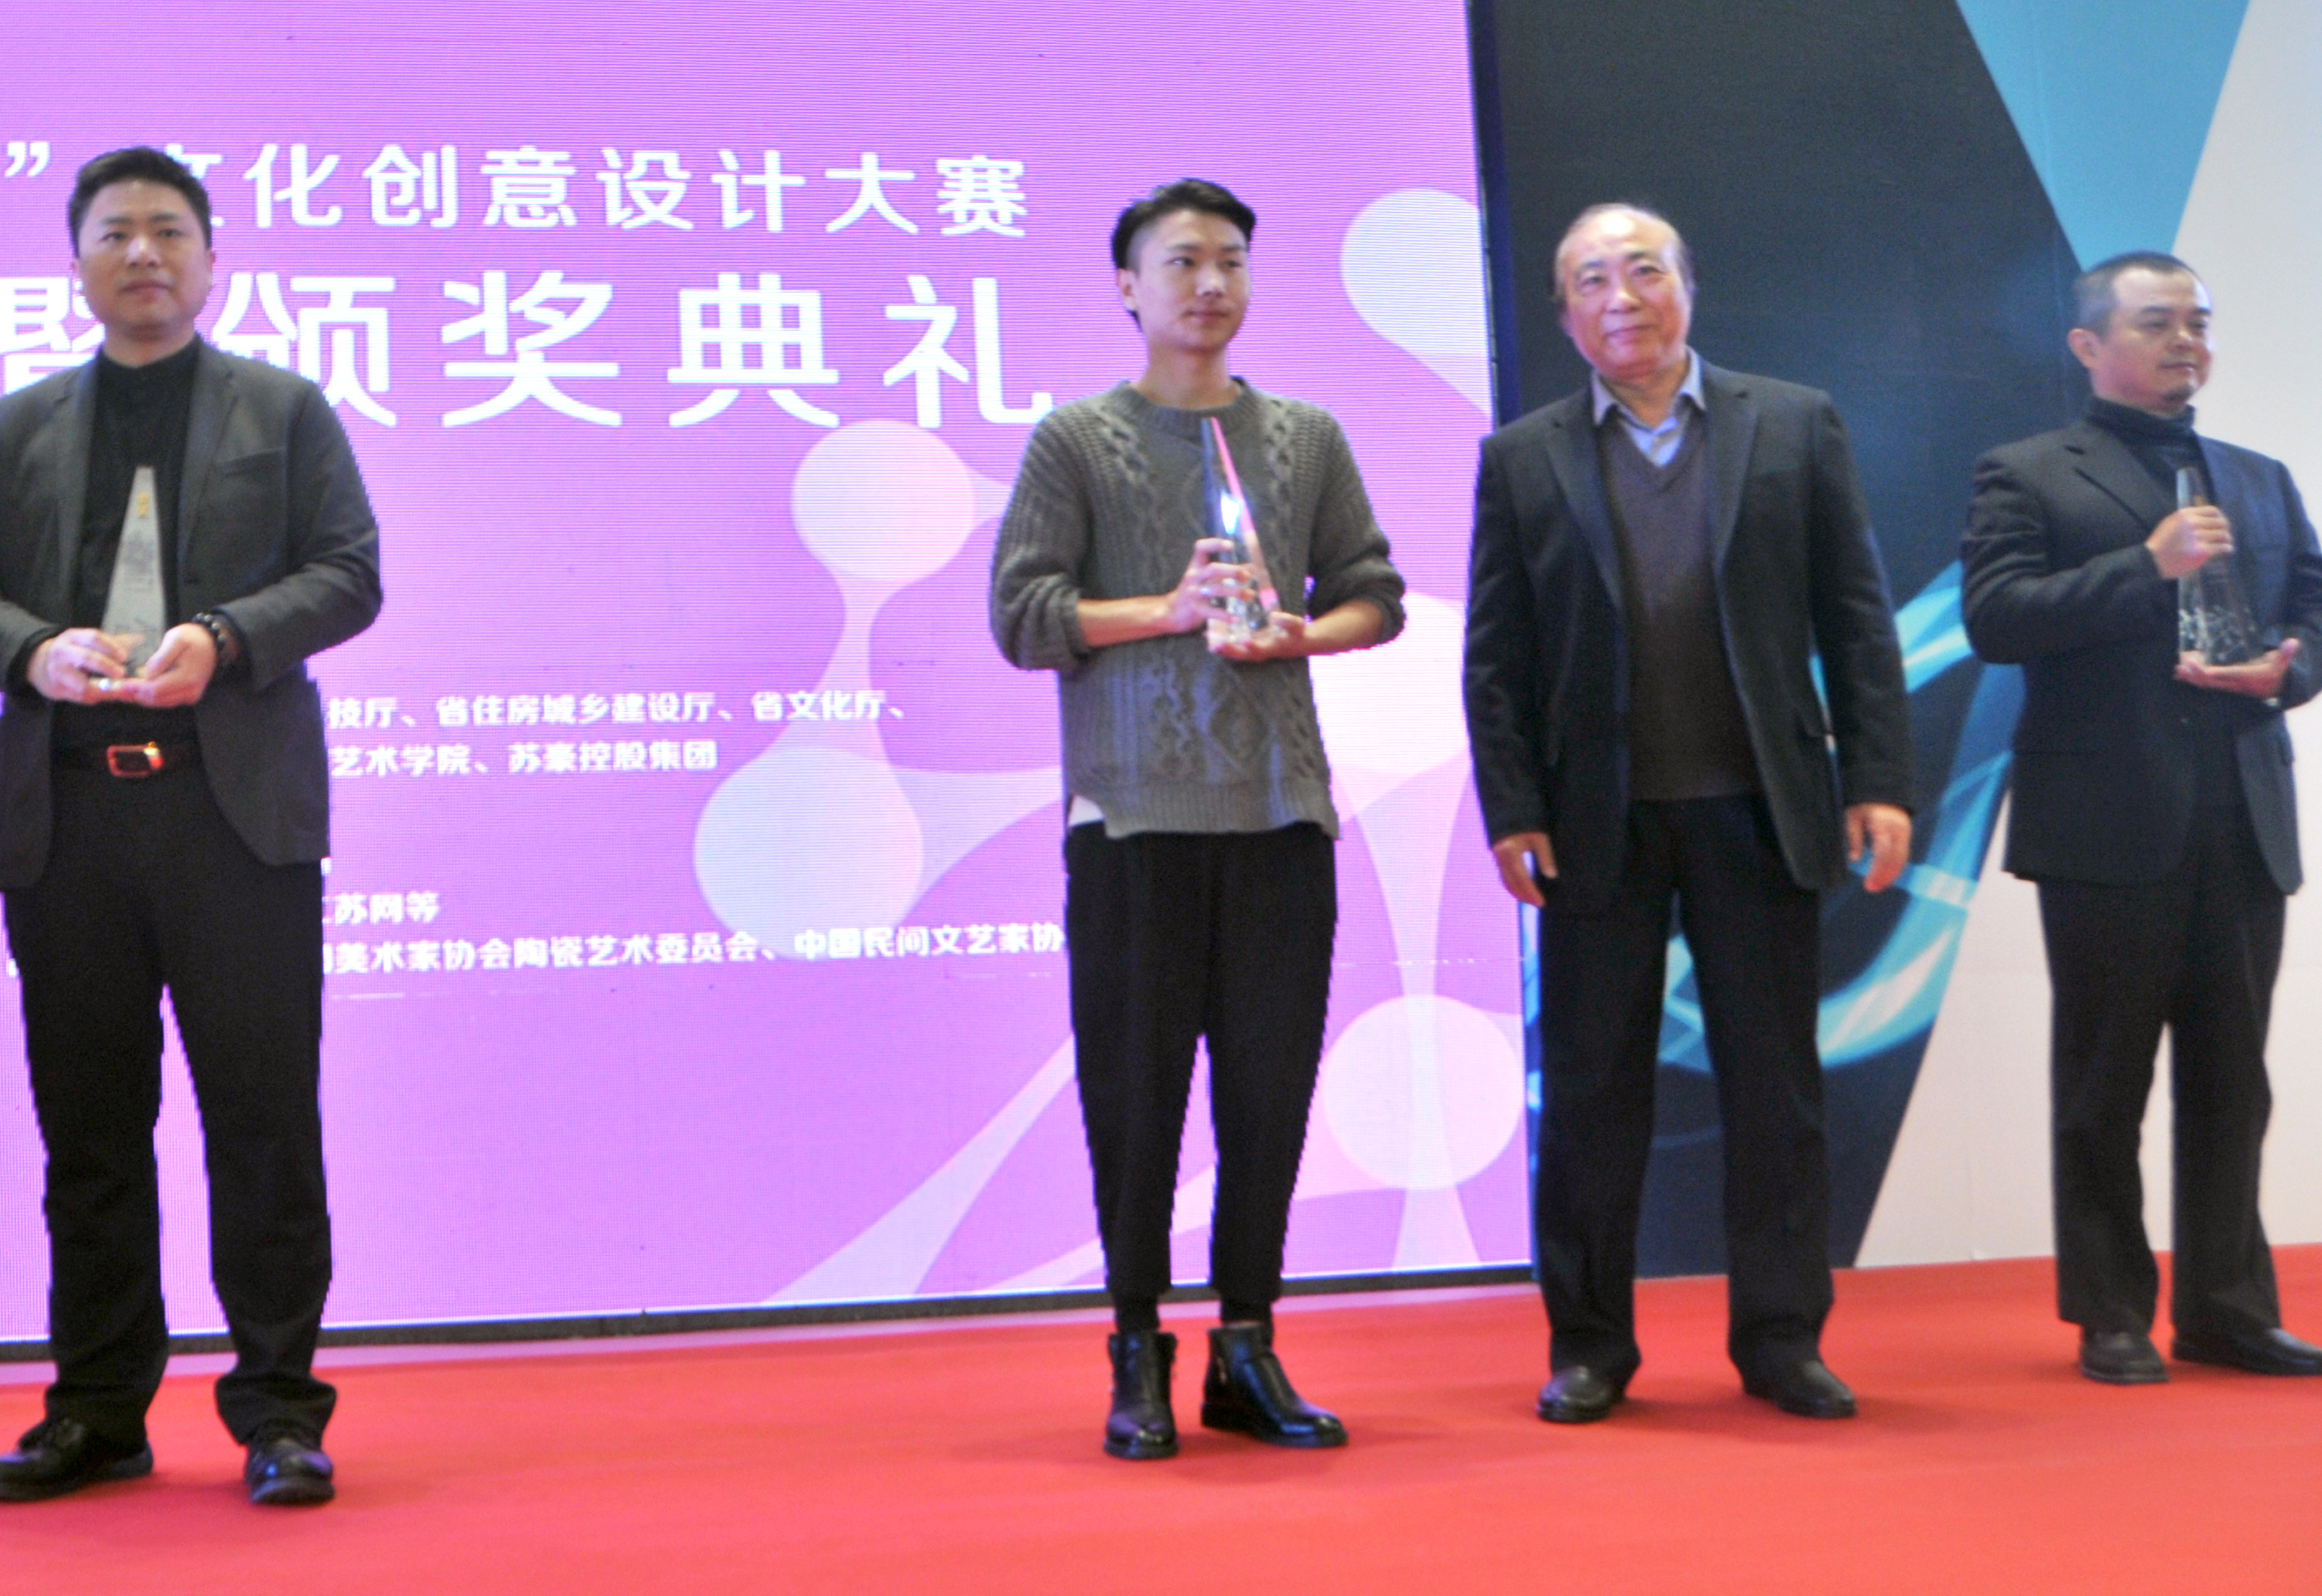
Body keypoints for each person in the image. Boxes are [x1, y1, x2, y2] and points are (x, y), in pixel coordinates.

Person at [0, 146, 382, 1510]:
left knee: (262, 1121)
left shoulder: (282, 410)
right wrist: (32, 651)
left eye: (169, 231)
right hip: (70, 821)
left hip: (234, 821)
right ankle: (98, 1409)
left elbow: (350, 573)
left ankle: (279, 1409)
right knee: (90, 1133)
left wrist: (223, 638)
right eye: (114, 232)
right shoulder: (16, 427)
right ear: (75, 264)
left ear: (212, 260)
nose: (143, 254)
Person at [1464, 205, 1913, 1425]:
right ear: (1565, 314)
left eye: (1644, 271)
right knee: (1592, 1095)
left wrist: (1878, 779)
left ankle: (1781, 1340)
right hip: (1593, 822)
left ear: (1688, 286)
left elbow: (1856, 618)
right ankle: (1590, 1346)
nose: (1622, 298)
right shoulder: (1522, 457)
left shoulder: (1793, 424)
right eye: (1591, 280)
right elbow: (1496, 657)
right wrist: (1513, 807)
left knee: (1776, 1089)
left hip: (1759, 807)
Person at [989, 178, 1405, 1461]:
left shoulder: (1305, 439)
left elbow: (1377, 595)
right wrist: (1164, 613)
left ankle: (1246, 1346)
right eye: (1180, 262)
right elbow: (1022, 616)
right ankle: (1135, 1348)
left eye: (1230, 260)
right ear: (1128, 286)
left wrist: (1299, 635)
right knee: (1137, 1094)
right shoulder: (1076, 440)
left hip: (1280, 811)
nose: (1209, 284)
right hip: (1133, 820)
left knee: (1269, 1093)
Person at [1959, 252, 2322, 1384]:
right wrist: (2145, 567)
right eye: (2157, 322)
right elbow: (1997, 619)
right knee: (2103, 1083)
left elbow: (2313, 609)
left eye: (2198, 323)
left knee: (2234, 1081)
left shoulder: (2257, 477)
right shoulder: (2028, 472)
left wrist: (2287, 671)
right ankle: (2110, 1311)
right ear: (2088, 346)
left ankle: (2227, 1309)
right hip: (2104, 822)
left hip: (2242, 814)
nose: (2185, 342)